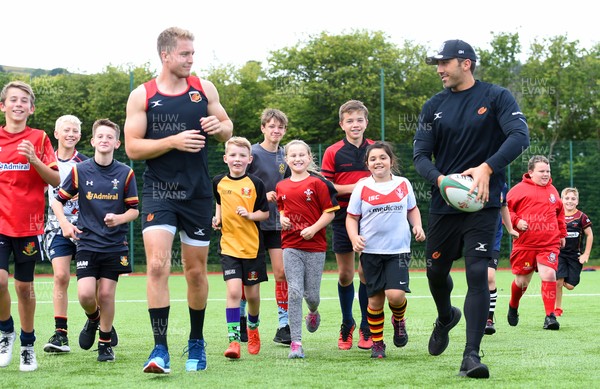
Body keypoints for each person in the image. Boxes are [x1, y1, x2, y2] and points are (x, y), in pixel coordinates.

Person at [413, 39, 529, 379]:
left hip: (484, 205)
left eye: (444, 62)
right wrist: (440, 181)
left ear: (466, 63)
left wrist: (487, 168)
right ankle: (446, 315)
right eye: (437, 63)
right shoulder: (433, 106)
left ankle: (471, 356)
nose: (439, 69)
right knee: (435, 272)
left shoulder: (497, 97)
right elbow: (420, 155)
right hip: (444, 206)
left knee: (479, 274)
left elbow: (520, 136)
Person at [124, 26, 233, 374]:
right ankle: (159, 350)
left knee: (196, 272)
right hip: (159, 192)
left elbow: (228, 126)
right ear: (166, 55)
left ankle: (197, 342)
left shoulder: (204, 88)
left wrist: (220, 128)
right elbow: (132, 147)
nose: (191, 59)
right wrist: (172, 140)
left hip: (198, 193)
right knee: (156, 265)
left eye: (192, 54)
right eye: (185, 54)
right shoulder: (142, 95)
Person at [53, 119, 138, 362]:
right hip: (87, 243)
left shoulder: (126, 173)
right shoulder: (80, 171)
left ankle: (105, 344)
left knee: (107, 295)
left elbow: (134, 211)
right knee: (86, 296)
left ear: (117, 143)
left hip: (114, 245)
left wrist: (119, 218)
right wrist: (66, 225)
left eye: (109, 137)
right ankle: (93, 320)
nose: (104, 140)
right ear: (92, 141)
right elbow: (56, 200)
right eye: (100, 136)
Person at [0, 81, 60, 372]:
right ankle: (5, 332)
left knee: (24, 287)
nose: (18, 104)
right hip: (0, 223)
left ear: (31, 108)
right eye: (13, 99)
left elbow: (56, 181)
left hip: (28, 225)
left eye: (24, 100)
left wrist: (34, 160)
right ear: (3, 106)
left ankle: (26, 345)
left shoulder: (39, 138)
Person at [346, 142, 426, 359]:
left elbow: (412, 209)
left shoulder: (403, 184)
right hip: (371, 252)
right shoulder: (362, 187)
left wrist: (417, 225)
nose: (378, 162)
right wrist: (354, 237)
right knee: (375, 301)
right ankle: (378, 343)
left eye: (382, 157)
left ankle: (399, 320)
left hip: (398, 250)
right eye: (373, 159)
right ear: (367, 164)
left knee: (396, 295)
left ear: (391, 160)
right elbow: (352, 217)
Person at [276, 140, 339, 359]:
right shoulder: (281, 186)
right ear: (286, 160)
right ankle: (296, 342)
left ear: (310, 157)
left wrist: (313, 229)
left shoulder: (319, 183)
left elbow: (330, 212)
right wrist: (282, 218)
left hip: (315, 247)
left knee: (311, 296)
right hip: (290, 246)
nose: (297, 158)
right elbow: (282, 209)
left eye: (302, 155)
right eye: (292, 155)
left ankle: (313, 311)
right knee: (294, 291)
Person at [321, 100, 374, 350]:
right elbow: (327, 186)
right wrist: (356, 188)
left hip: (373, 218)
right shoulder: (332, 152)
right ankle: (347, 323)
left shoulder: (376, 149)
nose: (355, 124)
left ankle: (366, 325)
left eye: (359, 120)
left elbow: (385, 180)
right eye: (350, 120)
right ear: (342, 124)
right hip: (343, 217)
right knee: (345, 274)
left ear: (366, 122)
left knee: (366, 273)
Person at [212, 136, 269, 359]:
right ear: (226, 158)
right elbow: (218, 203)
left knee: (253, 296)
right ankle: (234, 341)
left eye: (242, 156)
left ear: (249, 159)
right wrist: (216, 219)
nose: (237, 159)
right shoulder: (218, 181)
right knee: (234, 292)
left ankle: (253, 328)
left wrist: (249, 215)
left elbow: (265, 213)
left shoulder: (256, 184)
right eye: (233, 155)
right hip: (228, 247)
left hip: (252, 248)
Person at [245, 108, 291, 345]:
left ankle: (284, 325)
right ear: (263, 128)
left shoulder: (288, 155)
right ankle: (245, 320)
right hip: (252, 224)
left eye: (280, 127)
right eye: (271, 126)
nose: (276, 130)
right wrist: (262, 195)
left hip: (277, 224)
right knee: (248, 276)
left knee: (282, 272)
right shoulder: (251, 153)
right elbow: (239, 184)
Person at [506, 155, 566, 330]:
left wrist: (562, 233)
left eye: (548, 171)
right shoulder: (518, 190)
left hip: (549, 244)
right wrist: (516, 221)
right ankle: (513, 305)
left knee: (549, 275)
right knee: (522, 282)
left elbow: (560, 214)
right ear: (531, 172)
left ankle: (550, 316)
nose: (546, 174)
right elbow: (505, 209)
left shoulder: (553, 191)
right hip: (525, 244)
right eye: (542, 171)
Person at [484, 184, 519, 335]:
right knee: (477, 279)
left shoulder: (501, 185)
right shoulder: (468, 181)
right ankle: (475, 317)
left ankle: (488, 319)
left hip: (493, 238)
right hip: (474, 236)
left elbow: (504, 207)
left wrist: (510, 228)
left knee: (490, 277)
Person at [555, 187, 593, 316]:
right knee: (558, 281)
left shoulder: (582, 217)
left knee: (570, 286)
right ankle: (557, 308)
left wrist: (586, 254)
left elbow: (590, 235)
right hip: (559, 254)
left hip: (574, 256)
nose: (569, 201)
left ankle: (561, 278)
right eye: (566, 198)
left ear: (577, 201)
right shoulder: (556, 215)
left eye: (573, 198)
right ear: (561, 200)